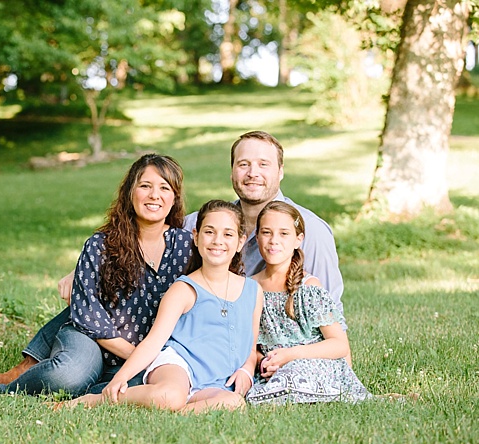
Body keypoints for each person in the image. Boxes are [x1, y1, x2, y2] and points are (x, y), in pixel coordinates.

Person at [57, 130, 351, 360]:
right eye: (243, 164)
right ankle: (34, 362)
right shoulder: (201, 224)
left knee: (91, 299)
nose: (252, 173)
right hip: (208, 331)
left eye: (264, 164)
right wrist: (85, 269)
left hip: (264, 342)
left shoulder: (309, 229)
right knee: (93, 292)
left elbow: (328, 309)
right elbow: (145, 232)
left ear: (281, 171)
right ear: (232, 171)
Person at [0, 154, 193, 397]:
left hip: (148, 352)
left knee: (149, 387)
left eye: (164, 188)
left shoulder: (187, 247)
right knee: (69, 376)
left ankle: (87, 393)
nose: (154, 195)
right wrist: (140, 357)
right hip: (92, 340)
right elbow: (90, 317)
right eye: (145, 186)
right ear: (130, 193)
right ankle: (2, 392)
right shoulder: (100, 245)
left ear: (174, 197)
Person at [65, 200, 264, 413]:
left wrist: (246, 370)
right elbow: (153, 342)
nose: (217, 241)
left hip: (217, 379)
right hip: (178, 366)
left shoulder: (253, 291)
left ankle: (178, 411)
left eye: (228, 234)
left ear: (241, 242)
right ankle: (100, 398)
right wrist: (121, 377)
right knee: (169, 395)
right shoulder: (184, 289)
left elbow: (251, 348)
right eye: (209, 232)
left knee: (234, 403)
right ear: (196, 237)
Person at [245, 201, 371, 404]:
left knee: (294, 374)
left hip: (314, 363)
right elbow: (250, 344)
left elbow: (339, 345)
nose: (273, 241)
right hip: (275, 369)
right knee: (258, 387)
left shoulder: (308, 287)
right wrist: (265, 362)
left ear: (298, 240)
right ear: (257, 237)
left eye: (284, 233)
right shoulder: (249, 288)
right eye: (266, 232)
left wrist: (290, 355)